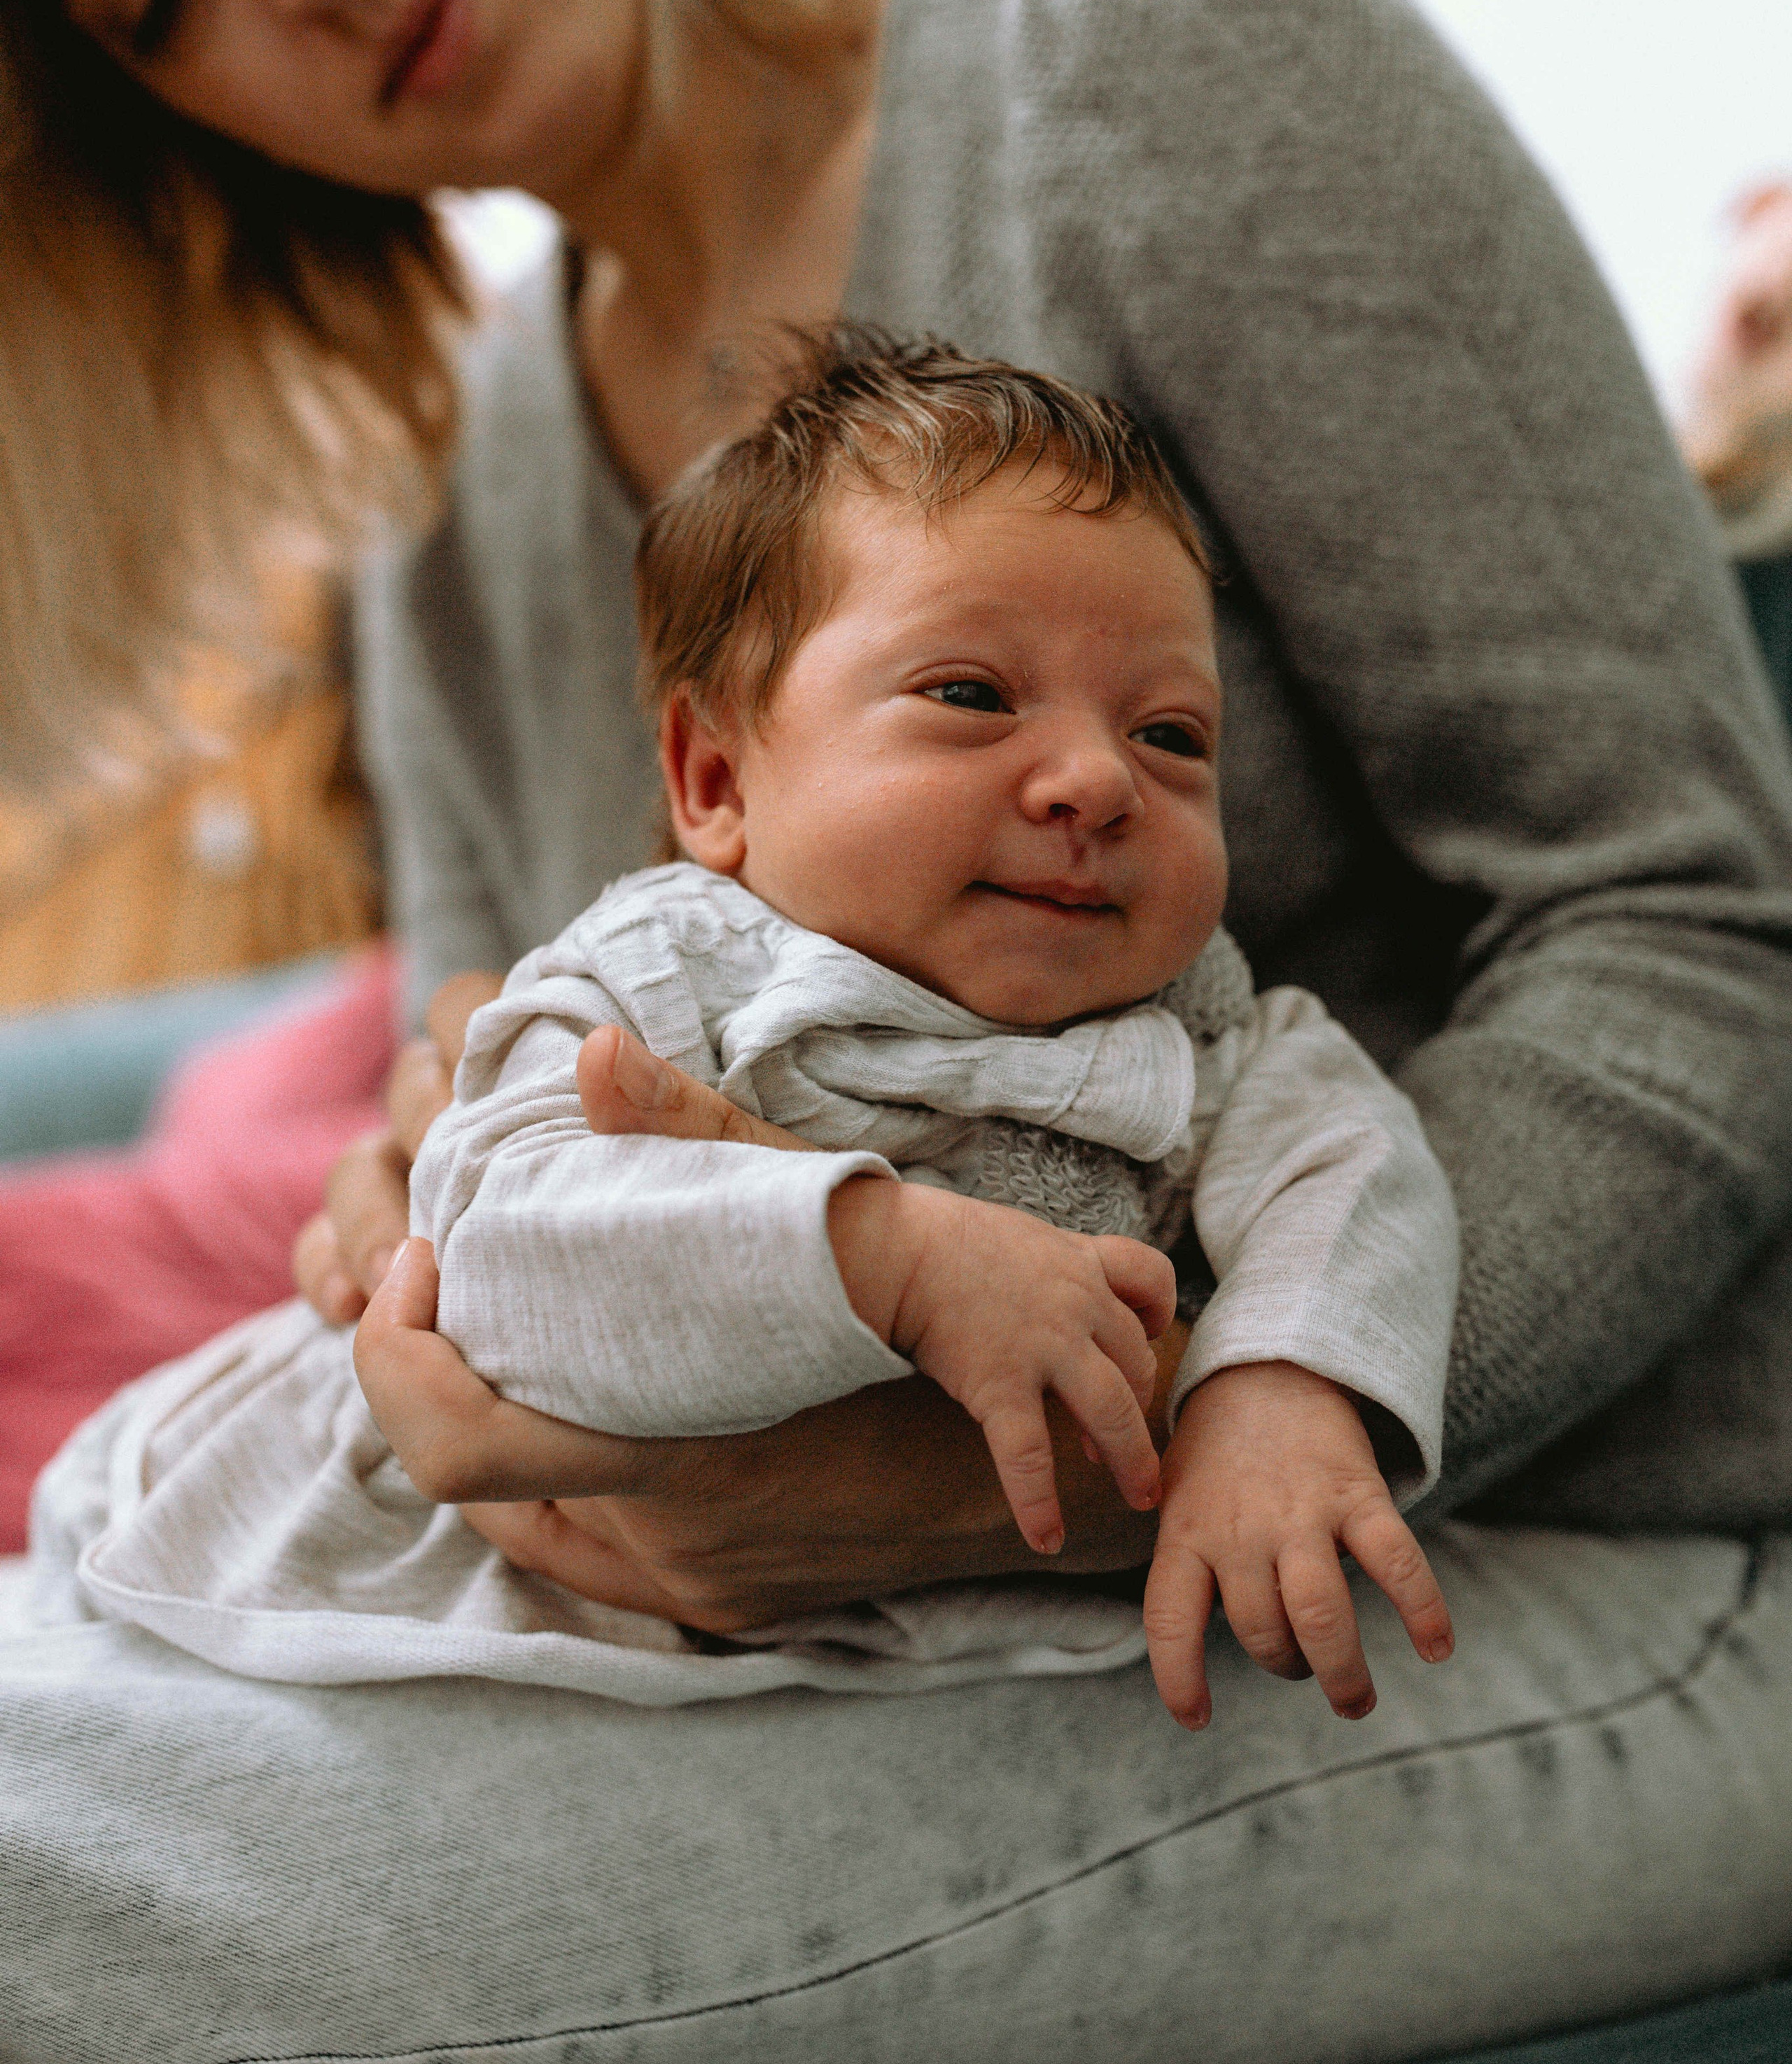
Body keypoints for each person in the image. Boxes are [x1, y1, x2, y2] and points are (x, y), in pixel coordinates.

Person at [2, 0, 1792, 2064]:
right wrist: (429, 1241)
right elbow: (554, 1074)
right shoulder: (457, 515)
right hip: (786, 1603)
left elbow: (1695, 931)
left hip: (1529, 1536)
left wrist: (1053, 1484)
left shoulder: (1148, 46)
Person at [62, 335, 1457, 1729]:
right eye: (969, 695)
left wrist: (1277, 1385)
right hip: (460, 1563)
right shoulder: (664, 982)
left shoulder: (1211, 1031)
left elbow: (1349, 1174)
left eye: (1171, 737)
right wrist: (889, 1263)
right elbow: (506, 1257)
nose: (1096, 780)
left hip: (895, 1649)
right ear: (714, 778)